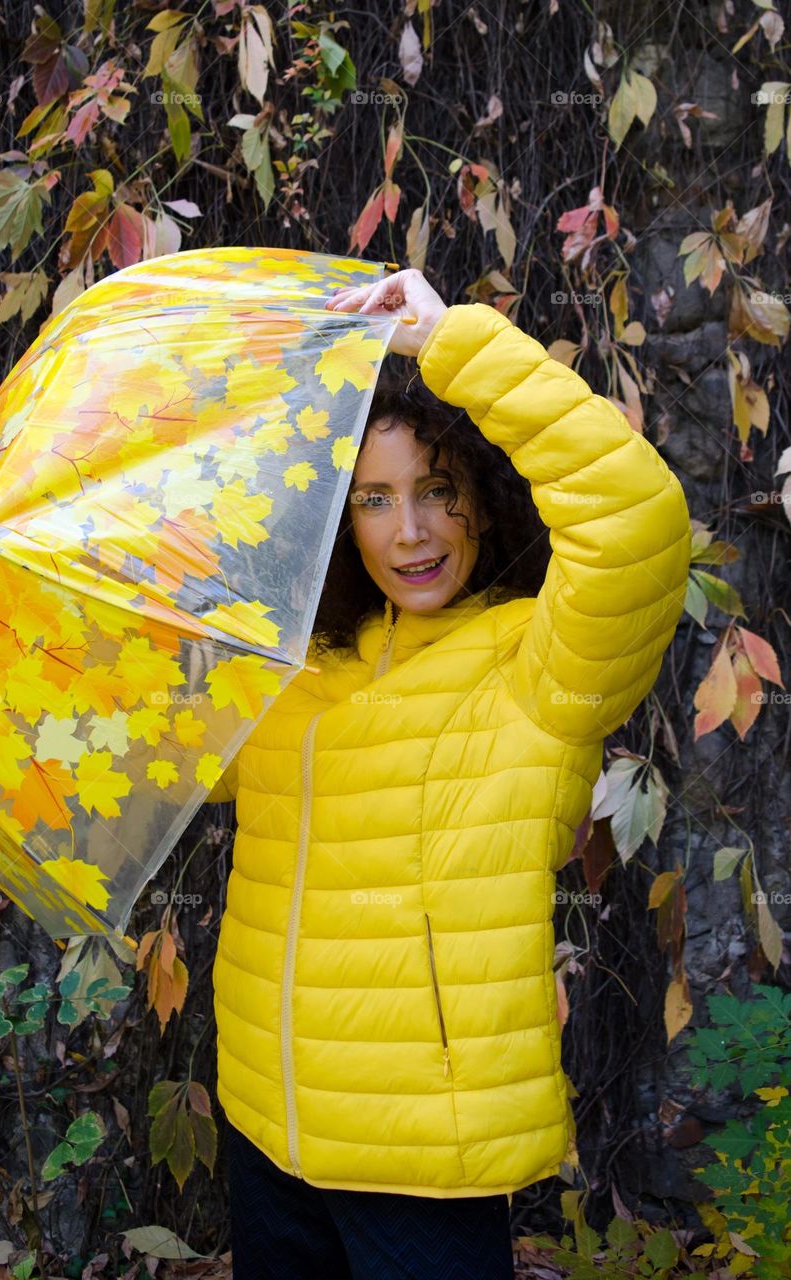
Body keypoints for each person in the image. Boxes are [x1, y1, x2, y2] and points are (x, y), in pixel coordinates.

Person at [206, 268, 693, 1278]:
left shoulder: (537, 663)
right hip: (262, 1124)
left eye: (436, 491)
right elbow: (174, 761)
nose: (410, 532)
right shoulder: (299, 663)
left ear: (482, 489)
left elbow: (637, 520)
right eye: (373, 499)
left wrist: (449, 345)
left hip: (420, 1160)